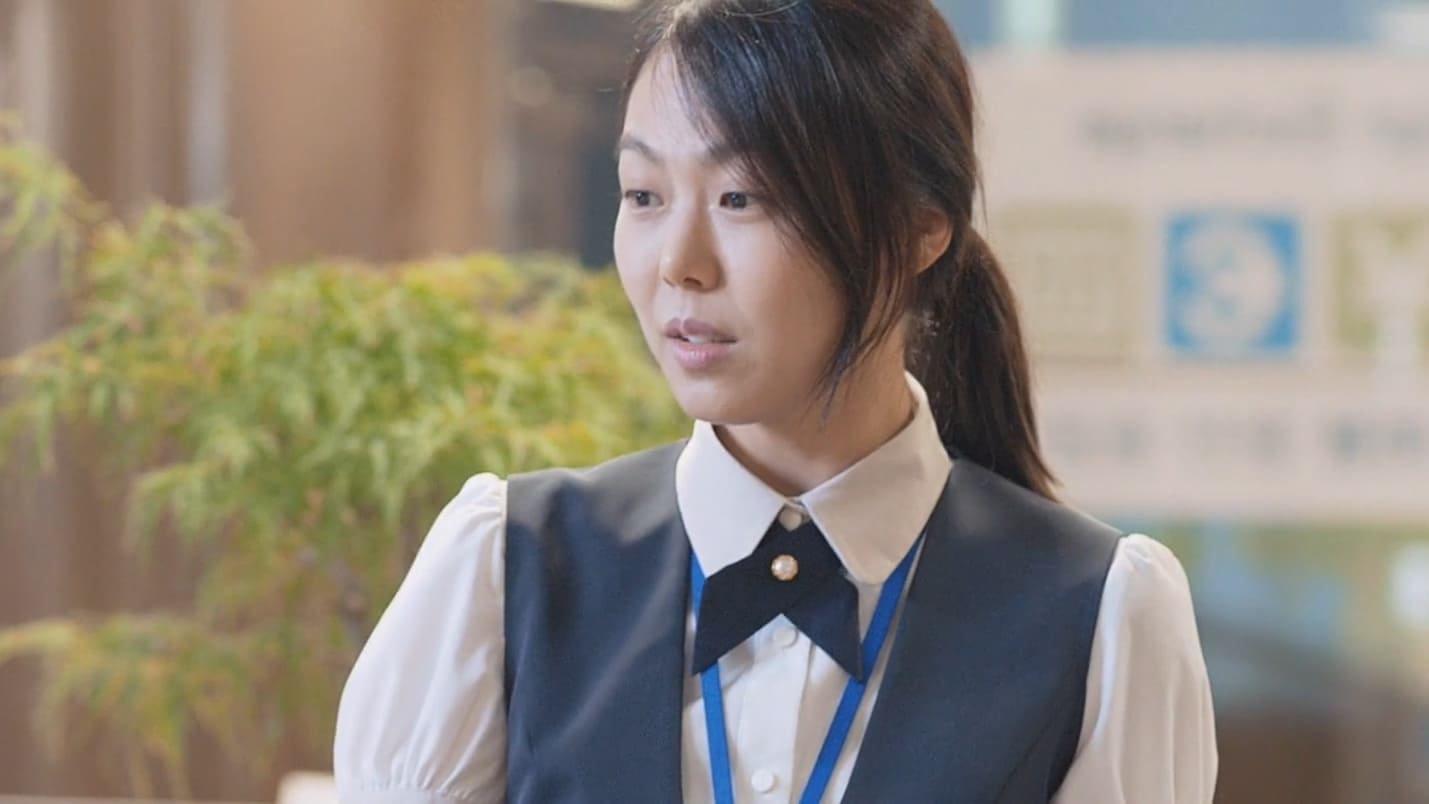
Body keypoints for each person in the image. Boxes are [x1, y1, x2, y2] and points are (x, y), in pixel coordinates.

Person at [333, 1, 1218, 801]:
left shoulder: (1100, 615)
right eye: (643, 195)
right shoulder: (505, 569)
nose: (678, 263)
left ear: (918, 228)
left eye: (740, 197)